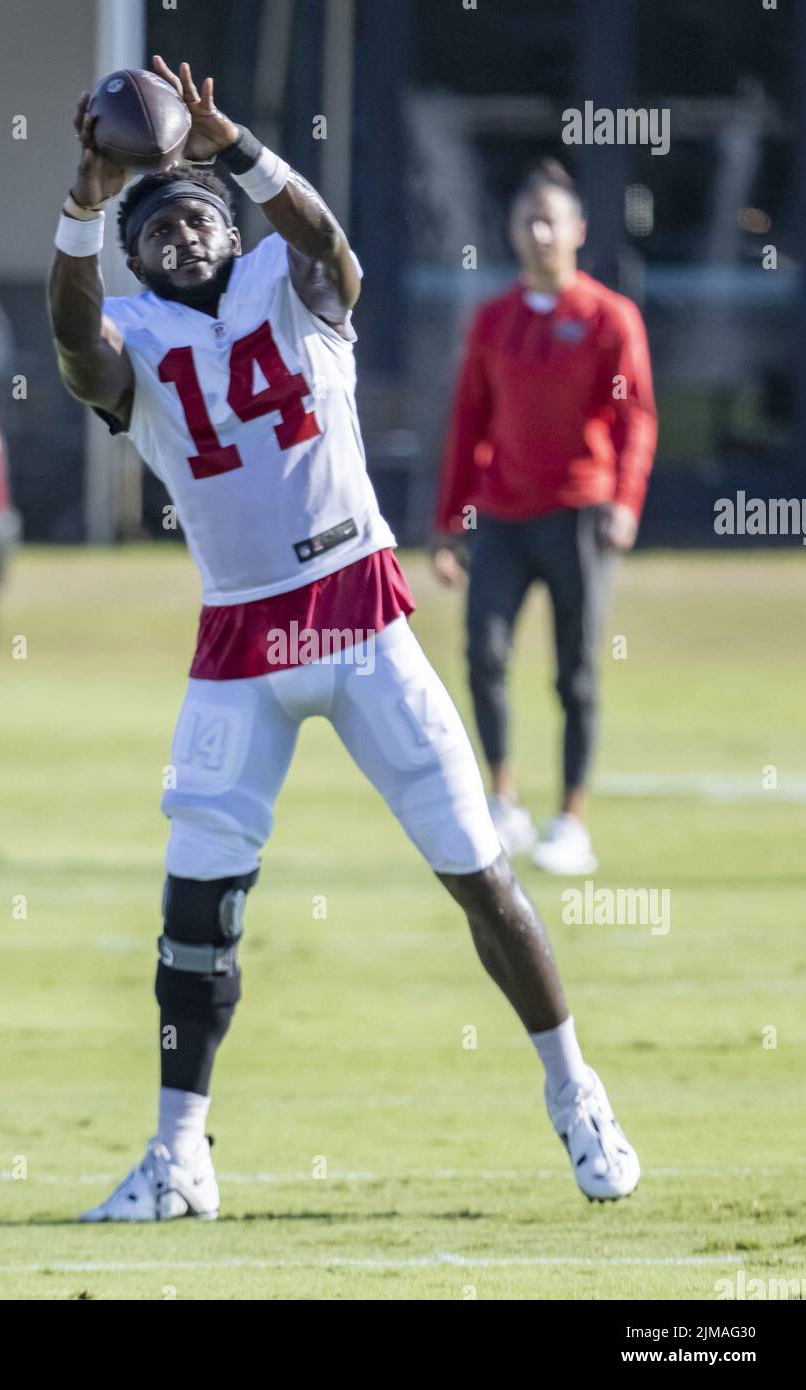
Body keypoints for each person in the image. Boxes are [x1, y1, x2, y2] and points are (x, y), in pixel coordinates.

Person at [48, 59, 640, 1220]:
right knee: (195, 911)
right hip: (239, 639)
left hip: (361, 613)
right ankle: (180, 1156)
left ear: (228, 223)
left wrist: (237, 149)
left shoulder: (292, 280)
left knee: (481, 873)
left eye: (192, 215)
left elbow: (325, 244)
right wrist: (83, 197)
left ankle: (578, 1095)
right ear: (135, 259)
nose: (175, 237)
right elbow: (73, 338)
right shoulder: (136, 337)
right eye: (151, 229)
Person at [433, 160, 657, 875]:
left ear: (576, 231)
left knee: (576, 675)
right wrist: (449, 525)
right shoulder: (492, 321)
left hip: (579, 516)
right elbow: (468, 423)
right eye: (526, 221)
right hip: (501, 516)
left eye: (549, 221)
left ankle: (571, 821)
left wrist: (622, 503)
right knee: (484, 655)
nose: (537, 233)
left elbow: (635, 421)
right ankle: (503, 803)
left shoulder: (607, 318)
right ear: (512, 233)